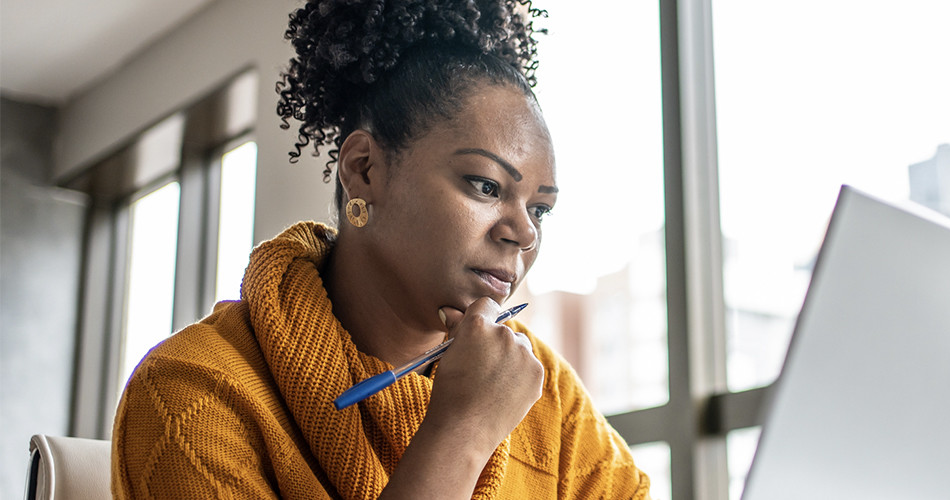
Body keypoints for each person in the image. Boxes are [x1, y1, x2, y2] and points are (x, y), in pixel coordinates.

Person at [110, 1, 651, 498]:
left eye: (540, 209)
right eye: (486, 186)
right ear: (364, 170)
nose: (525, 233)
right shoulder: (191, 393)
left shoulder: (545, 392)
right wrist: (462, 432)